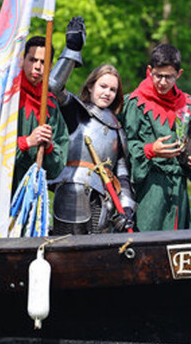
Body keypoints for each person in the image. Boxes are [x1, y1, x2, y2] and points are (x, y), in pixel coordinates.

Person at [123, 43, 191, 231]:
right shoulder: (135, 104)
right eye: (158, 76)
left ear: (179, 74)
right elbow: (122, 148)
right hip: (147, 192)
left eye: (168, 77)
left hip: (178, 195)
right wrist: (149, 151)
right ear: (149, 71)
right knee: (146, 248)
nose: (162, 82)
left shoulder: (189, 107)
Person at [0, 26, 75, 195]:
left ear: (50, 66)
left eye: (43, 62)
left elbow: (57, 165)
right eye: (32, 60)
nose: (37, 67)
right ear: (22, 60)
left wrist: (48, 147)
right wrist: (26, 143)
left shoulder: (50, 103)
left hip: (30, 193)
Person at [49, 55, 135, 234]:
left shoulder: (117, 129)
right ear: (90, 86)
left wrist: (126, 208)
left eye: (112, 89)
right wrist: (71, 52)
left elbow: (122, 173)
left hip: (105, 201)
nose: (107, 93)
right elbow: (53, 87)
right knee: (68, 246)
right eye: (103, 86)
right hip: (73, 189)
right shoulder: (76, 111)